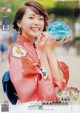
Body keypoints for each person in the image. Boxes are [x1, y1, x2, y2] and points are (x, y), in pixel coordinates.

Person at [8, 0, 72, 103]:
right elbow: (47, 95)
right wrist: (43, 53)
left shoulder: (39, 47)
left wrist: (50, 49)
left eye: (41, 19)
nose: (37, 23)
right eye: (31, 17)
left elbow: (59, 88)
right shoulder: (17, 51)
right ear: (19, 23)